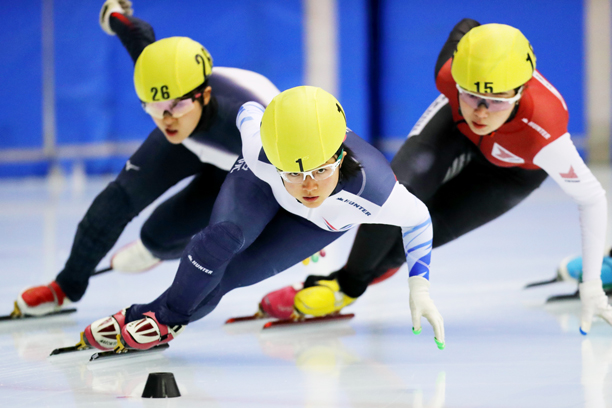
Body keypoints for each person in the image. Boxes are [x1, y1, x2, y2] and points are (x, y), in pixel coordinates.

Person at [260, 19, 612, 336]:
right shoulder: (449, 74)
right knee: (395, 193)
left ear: (521, 92)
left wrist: (593, 285)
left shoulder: (545, 132)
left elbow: (593, 198)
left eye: (497, 101)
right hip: (452, 132)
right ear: (458, 79)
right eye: (472, 95)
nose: (481, 111)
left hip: (511, 173)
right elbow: (465, 25)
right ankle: (347, 285)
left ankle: (351, 281)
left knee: (416, 237)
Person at [82, 86, 446, 352]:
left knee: (229, 279)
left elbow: (418, 220)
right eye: (295, 173)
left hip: (315, 224)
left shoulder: (376, 190)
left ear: (339, 157)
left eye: (320, 171)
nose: (308, 186)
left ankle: (146, 313)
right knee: (223, 238)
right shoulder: (261, 150)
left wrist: (420, 288)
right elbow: (250, 109)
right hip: (261, 184)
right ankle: (163, 319)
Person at [12, 0, 280, 317]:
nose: (166, 118)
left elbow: (300, 169)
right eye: (154, 107)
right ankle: (65, 288)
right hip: (190, 142)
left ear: (204, 95)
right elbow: (139, 35)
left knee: (158, 238)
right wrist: (114, 15)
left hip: (243, 164)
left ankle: (155, 252)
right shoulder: (160, 79)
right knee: (116, 200)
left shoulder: (255, 118)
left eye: (177, 106)